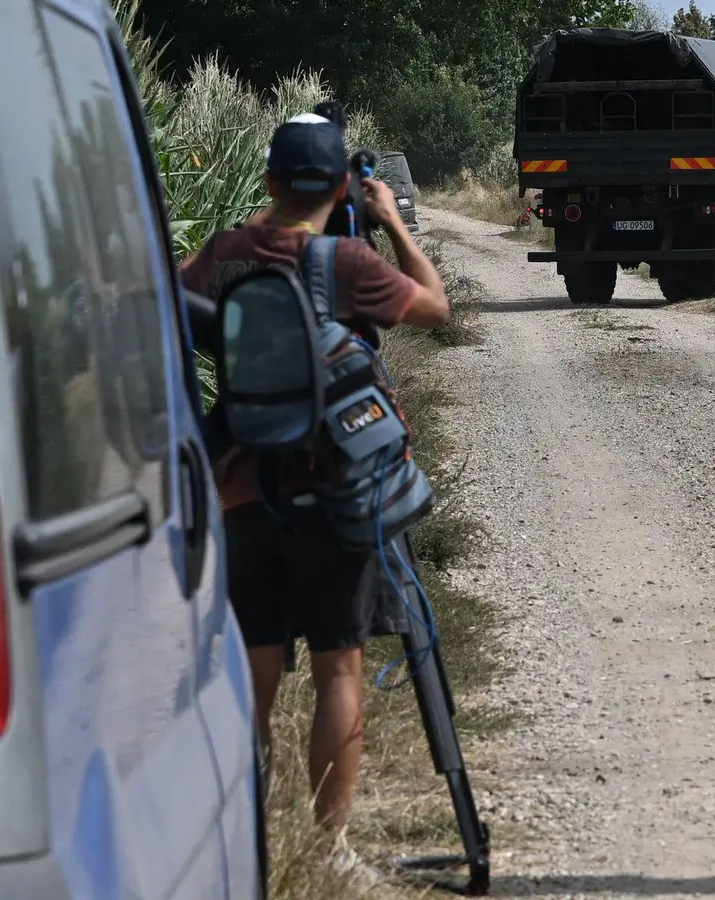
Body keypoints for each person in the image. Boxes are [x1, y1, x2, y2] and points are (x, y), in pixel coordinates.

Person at [180, 113, 451, 872]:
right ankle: (329, 850)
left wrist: (248, 232)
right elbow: (435, 307)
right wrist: (391, 221)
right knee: (338, 669)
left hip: (242, 491)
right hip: (335, 495)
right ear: (340, 187)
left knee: (253, 678)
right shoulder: (347, 261)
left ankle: (246, 849)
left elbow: (163, 306)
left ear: (269, 180)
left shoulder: (224, 255)